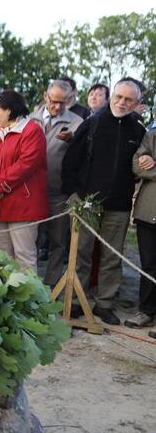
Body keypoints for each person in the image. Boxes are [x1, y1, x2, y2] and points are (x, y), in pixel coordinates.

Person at [62, 80, 146, 325]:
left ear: (136, 104)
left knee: (112, 256)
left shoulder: (138, 130)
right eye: (118, 96)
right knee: (81, 253)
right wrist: (73, 194)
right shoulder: (92, 123)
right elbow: (71, 160)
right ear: (112, 96)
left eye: (128, 100)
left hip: (118, 205)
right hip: (86, 200)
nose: (121, 102)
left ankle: (105, 303)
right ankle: (76, 300)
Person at [0, 90, 48, 272]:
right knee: (1, 256)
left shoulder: (32, 131)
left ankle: (29, 299)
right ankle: (5, 298)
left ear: (9, 110)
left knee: (24, 256)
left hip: (23, 206)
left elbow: (26, 165)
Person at [29, 80, 84, 285]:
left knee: (58, 242)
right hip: (31, 191)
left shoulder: (77, 122)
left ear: (69, 99)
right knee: (31, 240)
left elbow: (83, 154)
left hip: (58, 191)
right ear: (45, 97)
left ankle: (51, 286)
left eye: (63, 102)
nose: (58, 106)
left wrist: (73, 139)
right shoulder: (30, 119)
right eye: (54, 101)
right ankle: (29, 284)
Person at [124, 129, 156, 334]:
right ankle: (146, 311)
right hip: (149, 210)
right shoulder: (151, 136)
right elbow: (136, 166)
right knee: (148, 265)